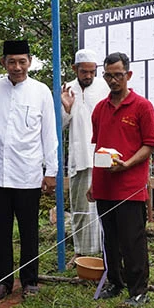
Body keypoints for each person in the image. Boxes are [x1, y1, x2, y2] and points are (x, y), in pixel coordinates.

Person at [0, 39, 57, 299]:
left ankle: (30, 281)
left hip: (28, 174)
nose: (16, 67)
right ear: (4, 62)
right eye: (11, 61)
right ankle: (2, 282)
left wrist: (52, 170)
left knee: (29, 231)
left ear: (30, 62)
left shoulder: (41, 91)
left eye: (21, 61)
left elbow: (49, 133)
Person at [89, 52, 154, 306]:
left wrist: (127, 164)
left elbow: (149, 145)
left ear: (128, 75)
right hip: (104, 186)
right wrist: (93, 183)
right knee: (110, 238)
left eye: (118, 75)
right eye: (108, 75)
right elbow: (99, 147)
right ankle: (115, 282)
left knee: (133, 240)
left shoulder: (142, 107)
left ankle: (138, 290)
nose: (113, 80)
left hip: (130, 187)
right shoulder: (100, 109)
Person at [61, 48, 110, 259]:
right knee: (81, 209)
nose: (88, 76)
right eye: (84, 72)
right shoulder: (66, 89)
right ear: (75, 69)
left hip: (104, 156)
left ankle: (105, 253)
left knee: (105, 208)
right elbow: (59, 126)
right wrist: (67, 108)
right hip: (79, 158)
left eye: (92, 71)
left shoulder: (105, 88)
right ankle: (83, 254)